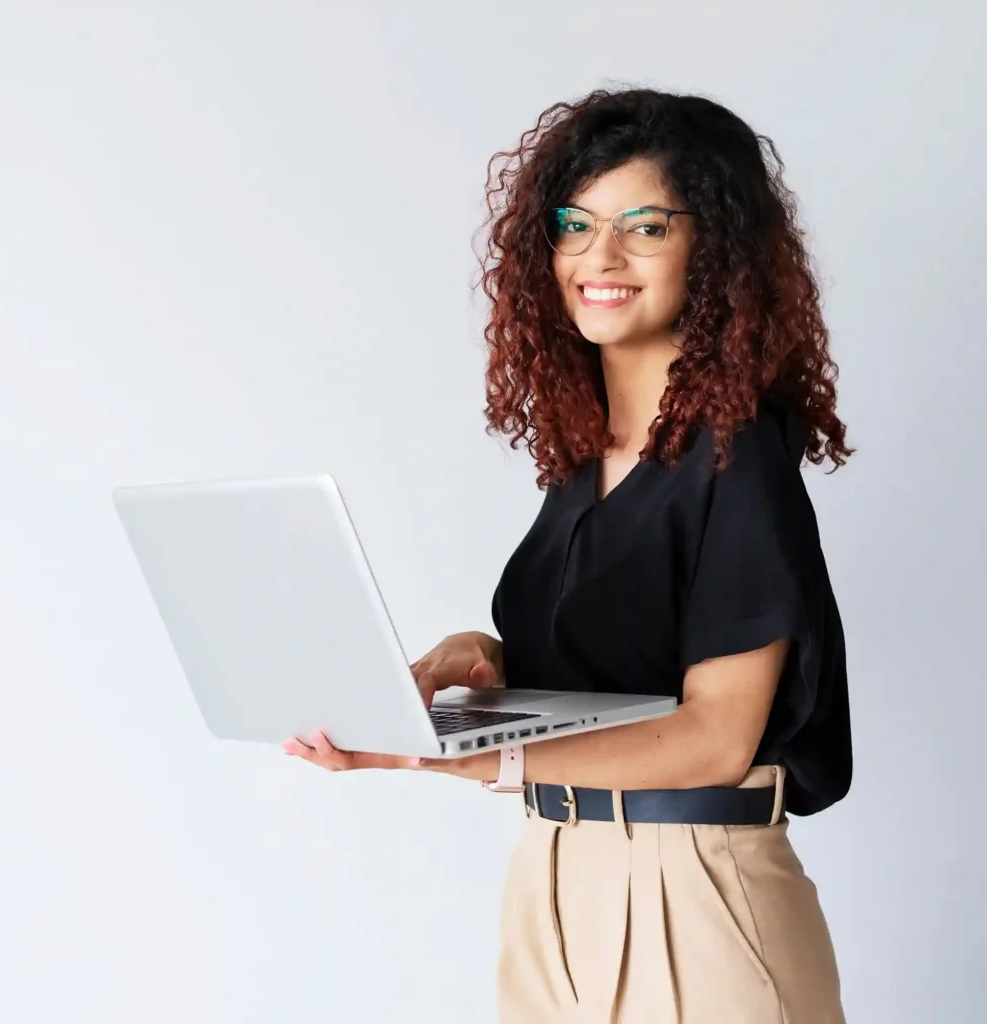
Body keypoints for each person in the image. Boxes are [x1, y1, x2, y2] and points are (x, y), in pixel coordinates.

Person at [283, 86, 853, 1024]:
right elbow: (626, 670)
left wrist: (466, 763)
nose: (601, 255)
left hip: (694, 890)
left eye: (645, 226)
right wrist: (485, 660)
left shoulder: (737, 457)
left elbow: (717, 737)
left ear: (712, 252)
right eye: (575, 224)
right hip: (551, 880)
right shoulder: (587, 465)